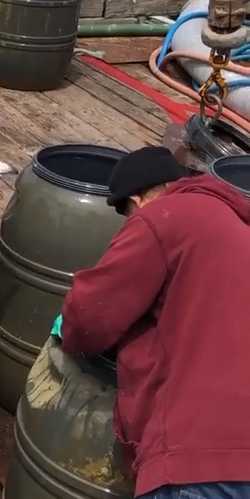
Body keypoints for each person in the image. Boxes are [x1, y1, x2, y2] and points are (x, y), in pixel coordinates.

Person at [56, 146, 250, 499]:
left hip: (199, 462)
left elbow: (88, 317)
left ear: (137, 200)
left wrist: (67, 328)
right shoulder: (235, 226)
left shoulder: (161, 215)